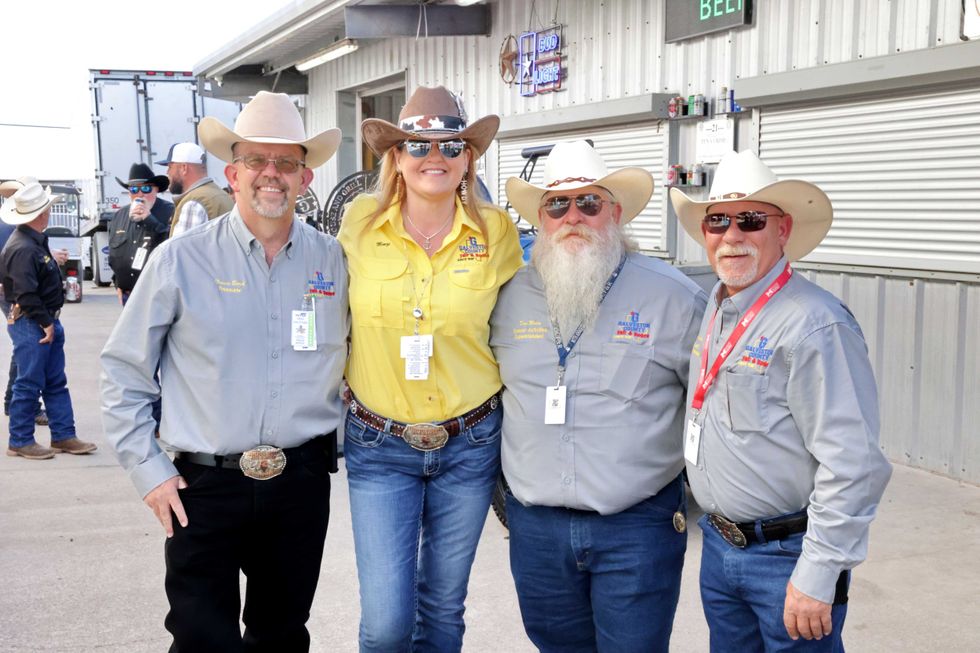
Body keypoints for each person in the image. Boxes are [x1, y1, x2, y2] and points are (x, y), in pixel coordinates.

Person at [100, 91, 347, 651]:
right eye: (257, 160)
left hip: (301, 484)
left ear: (305, 178)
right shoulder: (180, 260)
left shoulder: (333, 260)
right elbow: (124, 371)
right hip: (204, 486)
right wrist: (149, 471)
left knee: (282, 636)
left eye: (286, 162)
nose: (271, 173)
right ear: (233, 174)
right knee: (201, 638)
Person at [669, 150, 892, 651]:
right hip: (720, 549)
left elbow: (854, 464)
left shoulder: (816, 324)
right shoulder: (719, 303)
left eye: (750, 219)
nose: (732, 235)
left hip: (787, 557)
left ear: (783, 229)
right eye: (718, 220)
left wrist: (818, 573)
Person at [489, 140, 707, 653]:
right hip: (536, 529)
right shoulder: (504, 296)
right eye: (557, 205)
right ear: (540, 218)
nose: (573, 217)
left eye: (589, 203)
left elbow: (711, 404)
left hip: (637, 527)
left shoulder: (673, 297)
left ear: (616, 212)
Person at [338, 85, 523, 652]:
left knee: (443, 608)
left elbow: (520, 327)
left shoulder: (496, 231)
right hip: (379, 443)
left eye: (451, 145)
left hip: (470, 441)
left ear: (469, 159)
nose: (434, 157)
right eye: (418, 146)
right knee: (386, 622)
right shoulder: (359, 222)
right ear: (396, 157)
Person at [1, 182, 96, 460]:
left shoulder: (30, 242)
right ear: (41, 213)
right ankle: (21, 440)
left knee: (52, 381)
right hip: (34, 322)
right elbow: (25, 294)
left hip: (39, 320)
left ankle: (63, 435)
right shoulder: (24, 247)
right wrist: (46, 323)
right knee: (29, 383)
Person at [0, 177, 57, 424]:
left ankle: (15, 402)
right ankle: (23, 408)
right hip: (19, 293)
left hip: (18, 289)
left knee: (24, 349)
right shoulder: (14, 228)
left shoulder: (15, 226)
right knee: (28, 349)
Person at [107, 162, 173, 305]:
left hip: (159, 294)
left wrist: (149, 220)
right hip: (128, 293)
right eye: (134, 189)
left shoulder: (170, 211)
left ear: (156, 190)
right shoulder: (119, 215)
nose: (140, 194)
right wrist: (118, 282)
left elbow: (173, 247)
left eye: (146, 188)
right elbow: (113, 254)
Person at [155, 142, 234, 236]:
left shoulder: (193, 204)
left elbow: (182, 245)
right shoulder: (221, 194)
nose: (167, 172)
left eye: (170, 167)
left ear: (184, 168)